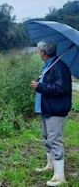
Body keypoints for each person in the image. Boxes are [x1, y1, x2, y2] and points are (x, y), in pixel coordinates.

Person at [30, 41, 72, 186]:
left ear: (43, 52)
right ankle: (50, 165)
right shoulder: (49, 65)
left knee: (55, 140)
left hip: (55, 110)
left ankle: (60, 177)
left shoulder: (60, 67)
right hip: (46, 108)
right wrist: (39, 85)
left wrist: (40, 86)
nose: (38, 53)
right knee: (47, 138)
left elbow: (61, 88)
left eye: (39, 51)